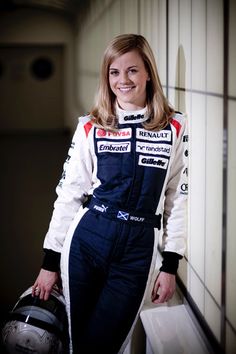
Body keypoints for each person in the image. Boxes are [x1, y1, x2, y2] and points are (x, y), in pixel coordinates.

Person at [32, 33, 188, 354]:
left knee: (105, 345)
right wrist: (50, 262)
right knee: (77, 344)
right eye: (114, 72)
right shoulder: (91, 126)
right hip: (88, 241)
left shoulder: (174, 127)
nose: (123, 80)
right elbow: (69, 194)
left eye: (132, 70)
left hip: (137, 252)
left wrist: (170, 264)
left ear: (148, 73)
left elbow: (178, 197)